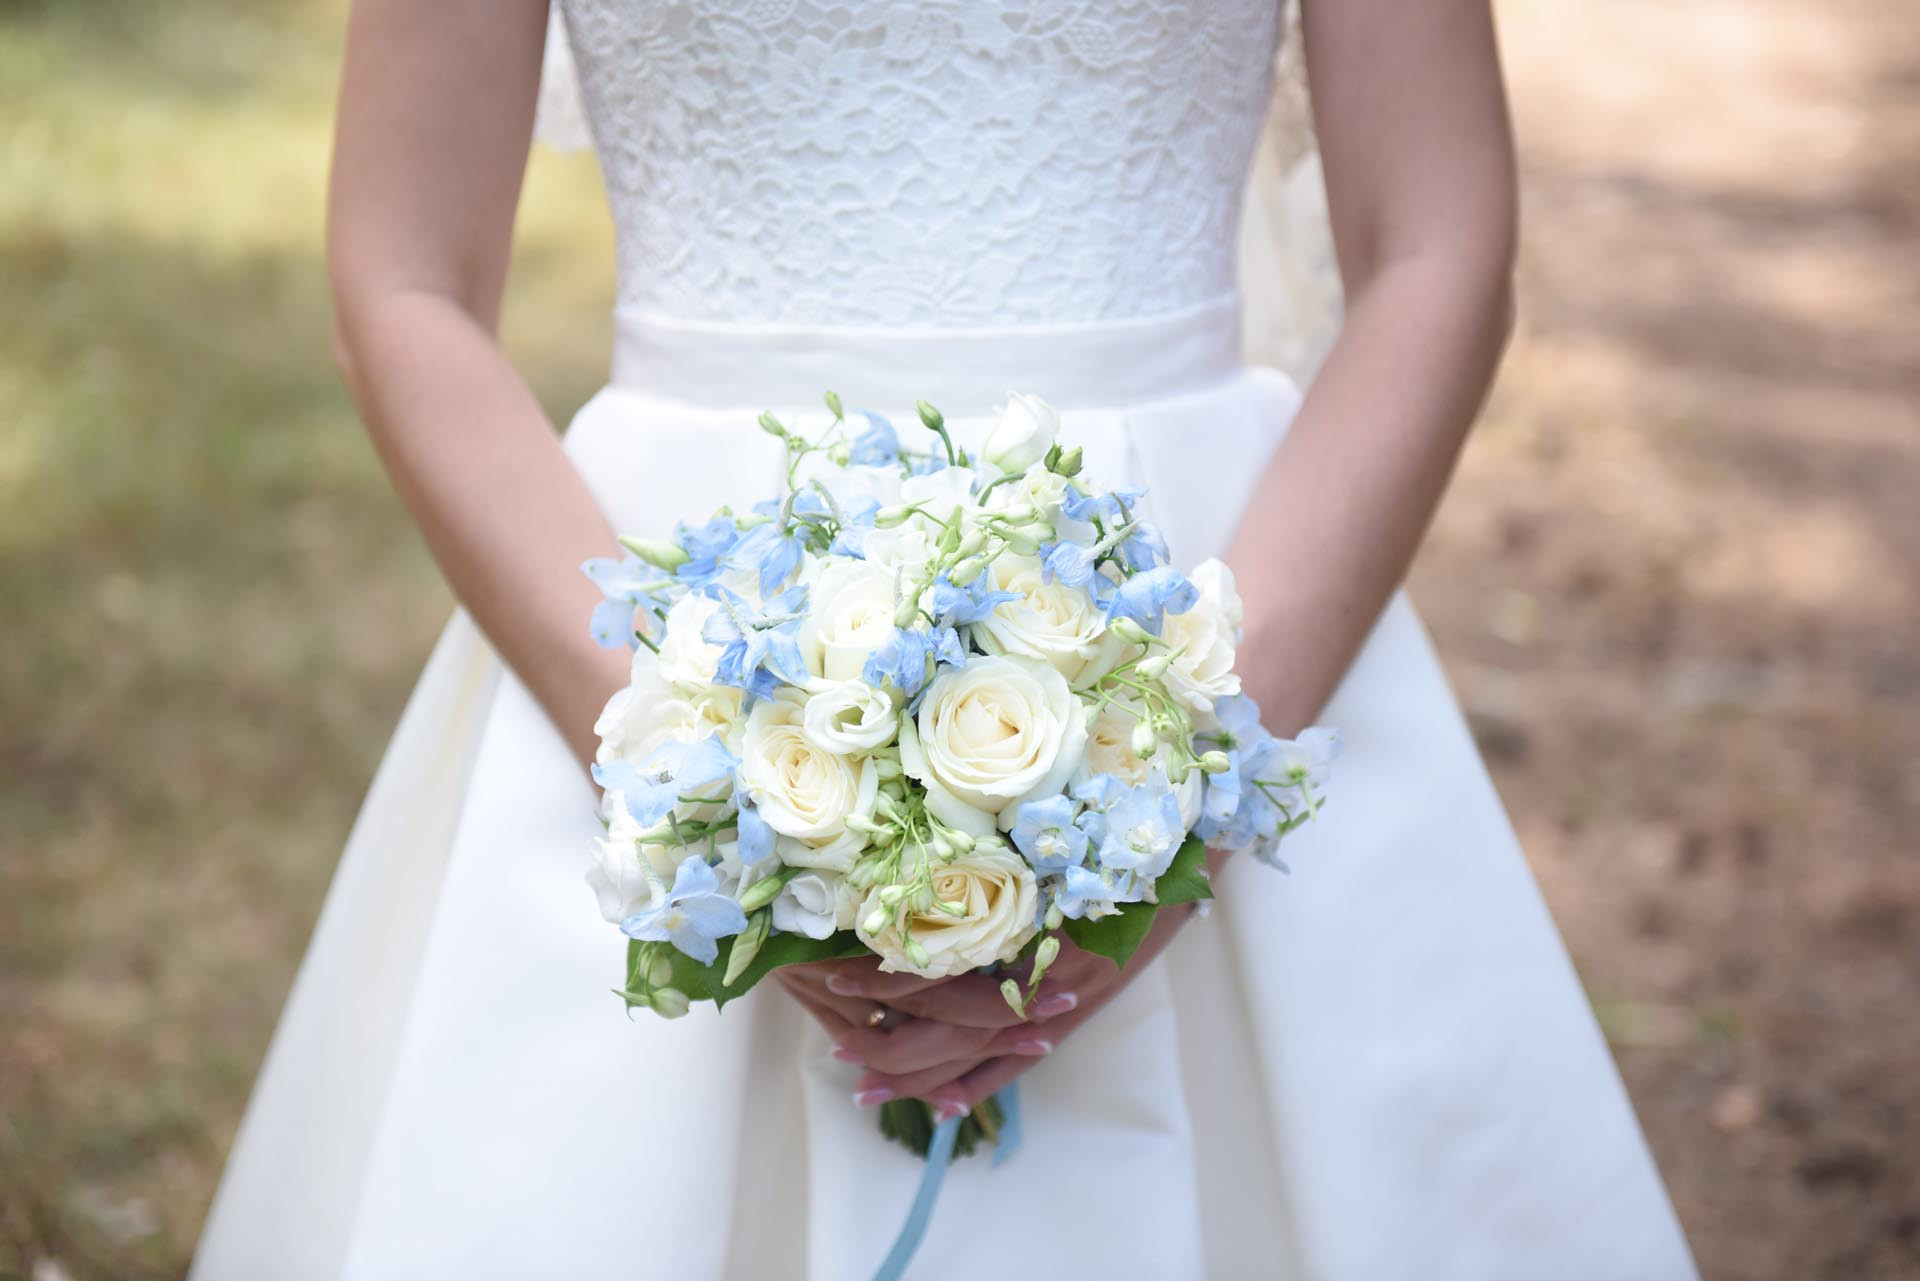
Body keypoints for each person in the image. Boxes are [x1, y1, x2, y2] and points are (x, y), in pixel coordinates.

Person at [191, 2, 1699, 1277]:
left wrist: (1175, 777)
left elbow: (1435, 243)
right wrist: (709, 784)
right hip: (669, 625)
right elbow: (402, 279)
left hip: (1217, 597)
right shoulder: (682, 730)